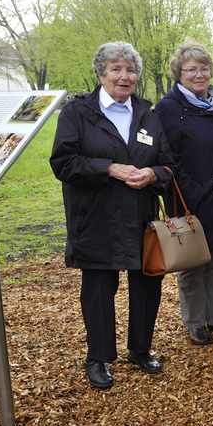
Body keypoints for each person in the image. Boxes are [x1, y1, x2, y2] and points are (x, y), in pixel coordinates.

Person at [50, 41, 173, 389]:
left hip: (140, 214)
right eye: (116, 69)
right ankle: (99, 357)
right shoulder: (78, 113)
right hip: (96, 216)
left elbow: (168, 165)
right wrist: (110, 169)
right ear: (101, 73)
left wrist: (153, 174)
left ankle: (140, 349)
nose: (125, 76)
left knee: (147, 284)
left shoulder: (149, 113)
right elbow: (63, 163)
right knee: (99, 288)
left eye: (131, 70)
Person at [155, 41, 213, 346]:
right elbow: (166, 154)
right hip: (189, 196)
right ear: (179, 73)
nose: (199, 74)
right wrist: (190, 191)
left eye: (204, 68)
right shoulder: (168, 108)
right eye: (191, 69)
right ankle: (195, 321)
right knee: (193, 264)